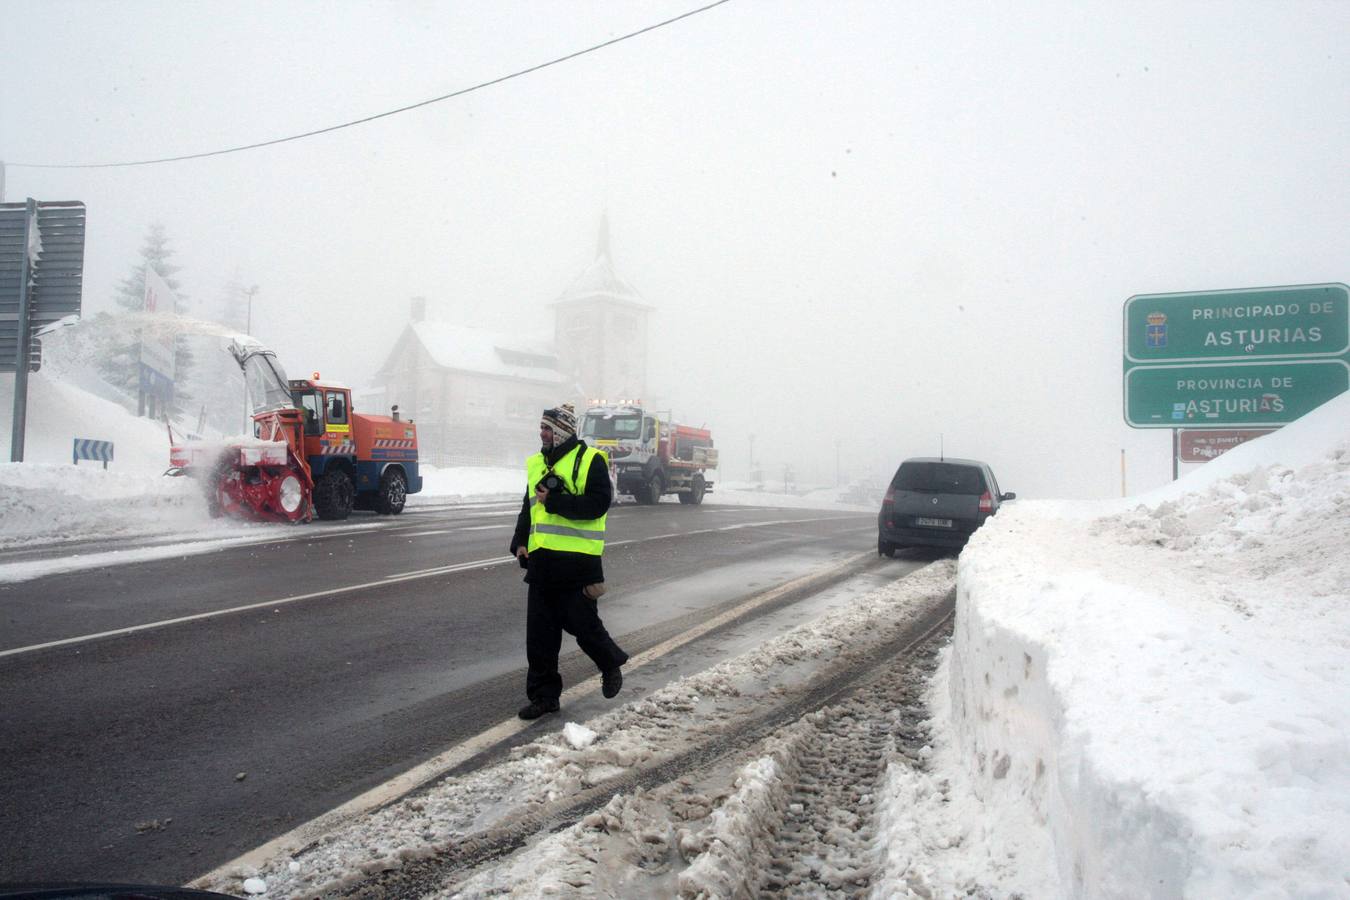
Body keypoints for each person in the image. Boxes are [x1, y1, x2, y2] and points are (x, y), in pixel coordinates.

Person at [509, 403, 628, 720]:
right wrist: (520, 541)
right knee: (540, 637)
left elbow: (599, 504)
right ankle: (544, 697)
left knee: (585, 627)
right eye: (541, 427)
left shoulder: (591, 460)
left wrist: (558, 501)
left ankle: (609, 663)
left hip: (578, 566)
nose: (542, 433)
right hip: (543, 565)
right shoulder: (537, 464)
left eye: (548, 428)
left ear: (562, 431)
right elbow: (529, 507)